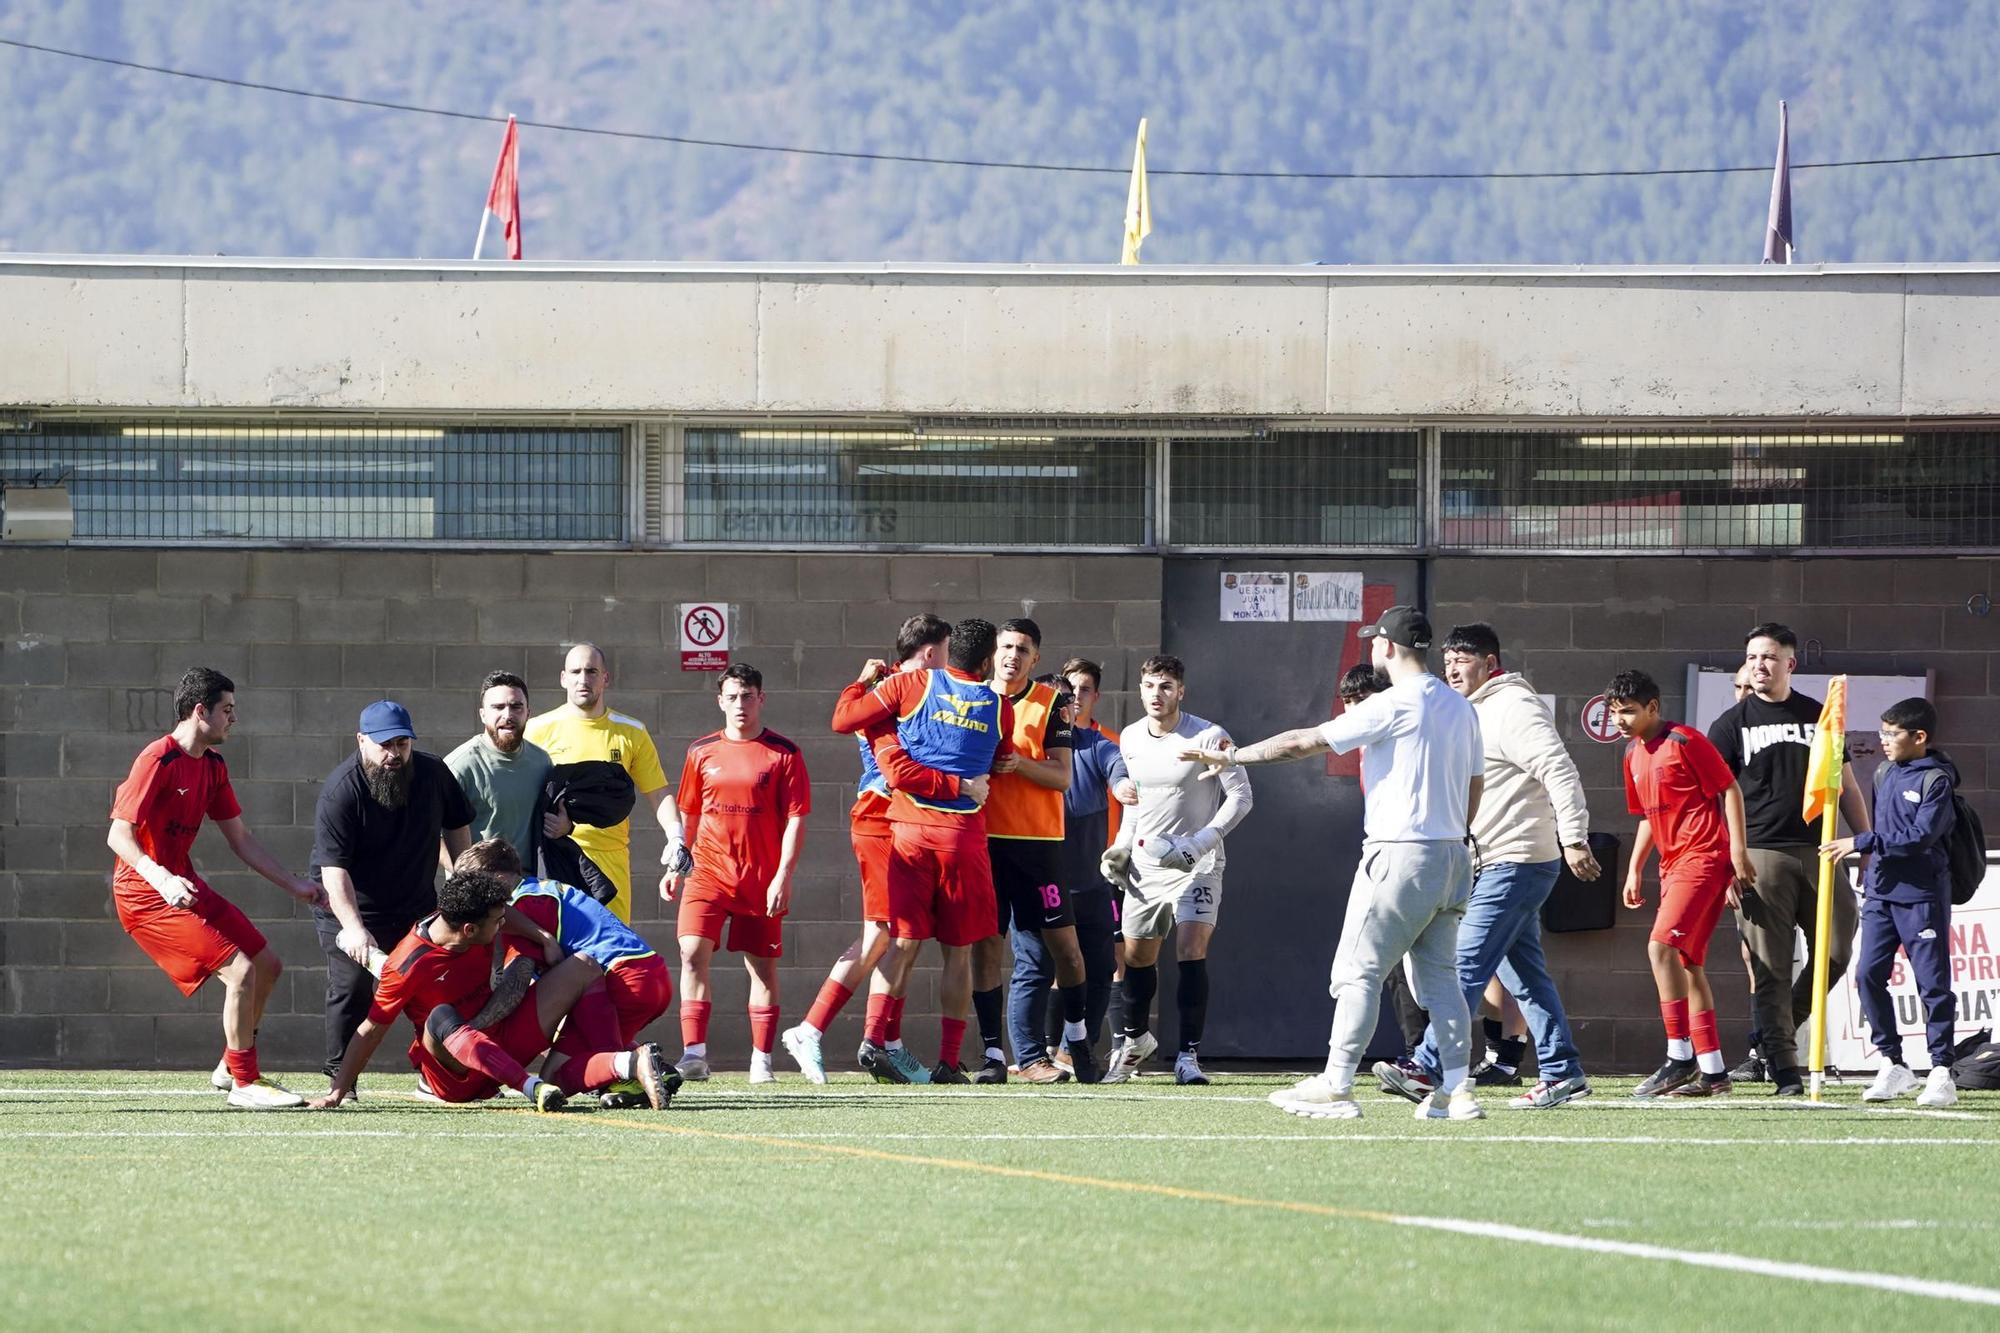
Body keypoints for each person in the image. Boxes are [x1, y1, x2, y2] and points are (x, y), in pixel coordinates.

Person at [1186, 606, 1483, 1122]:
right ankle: (1457, 1092)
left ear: (1388, 647)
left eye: (1375, 640)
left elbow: (1302, 741)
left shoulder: (1395, 702)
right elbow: (1475, 787)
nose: (1371, 647)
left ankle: (1338, 1085)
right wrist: (1450, 835)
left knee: (1355, 972)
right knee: (1439, 980)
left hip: (1400, 854)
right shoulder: (1461, 707)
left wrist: (1231, 758)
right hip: (1453, 856)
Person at [1374, 624, 1598, 1112]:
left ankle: (1427, 1065)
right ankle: (1563, 1071)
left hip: (1516, 860)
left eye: (1464, 659)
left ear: (1490, 663)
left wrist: (1574, 836)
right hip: (1495, 860)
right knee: (1526, 977)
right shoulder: (1471, 709)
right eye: (1448, 658)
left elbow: (1558, 767)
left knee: (1465, 965)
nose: (1452, 667)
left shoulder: (1513, 706)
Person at [107, 667, 325, 1110]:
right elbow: (118, 836)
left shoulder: (213, 765)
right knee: (240, 970)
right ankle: (245, 1083)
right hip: (143, 893)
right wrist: (162, 878)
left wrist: (295, 885)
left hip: (182, 883)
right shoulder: (157, 759)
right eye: (227, 710)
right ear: (199, 710)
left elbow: (240, 839)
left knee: (267, 964)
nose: (234, 718)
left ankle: (230, 1066)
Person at [309, 869, 676, 1112]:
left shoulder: (468, 916)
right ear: (469, 930)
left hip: (501, 1037)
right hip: (456, 1073)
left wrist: (541, 935)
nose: (504, 925)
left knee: (582, 964)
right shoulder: (408, 965)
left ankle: (628, 1061)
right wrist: (337, 1091)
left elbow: (505, 914)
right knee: (440, 1016)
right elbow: (370, 1028)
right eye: (498, 922)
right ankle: (531, 1086)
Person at [831, 618, 1013, 1084]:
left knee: (904, 941)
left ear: (949, 654)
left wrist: (860, 683)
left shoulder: (913, 682)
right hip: (963, 838)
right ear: (989, 660)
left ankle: (874, 1039)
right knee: (958, 953)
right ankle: (950, 1060)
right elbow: (998, 761)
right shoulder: (998, 706)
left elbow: (843, 720)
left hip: (909, 830)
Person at [784, 614, 953, 1086]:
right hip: (881, 817)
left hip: (912, 823)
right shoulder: (893, 691)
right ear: (928, 654)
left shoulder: (921, 690)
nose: (949, 664)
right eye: (945, 652)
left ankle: (887, 1044)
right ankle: (810, 1029)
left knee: (909, 935)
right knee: (881, 933)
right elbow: (845, 721)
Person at [1706, 624, 1871, 1096]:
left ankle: (1769, 1035)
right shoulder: (1729, 725)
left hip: (1820, 852)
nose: (1760, 665)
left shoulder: (1817, 716)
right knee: (1770, 968)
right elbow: (1712, 801)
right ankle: (1783, 1067)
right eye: (1753, 656)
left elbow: (1847, 786)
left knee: (1837, 952)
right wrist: (1724, 862)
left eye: (1770, 657)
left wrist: (1865, 840)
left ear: (1790, 664)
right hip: (1759, 856)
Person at [1100, 654, 1252, 1086]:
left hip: (1198, 861)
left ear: (1180, 691)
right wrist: (1121, 848)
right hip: (1148, 865)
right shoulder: (1130, 738)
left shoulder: (1209, 735)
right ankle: (1135, 1042)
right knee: (1135, 958)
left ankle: (1187, 1056)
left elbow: (1242, 798)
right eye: (1149, 685)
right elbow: (1137, 803)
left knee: (1190, 948)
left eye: (1166, 686)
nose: (1156, 694)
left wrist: (1202, 841)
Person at [310, 700, 475, 1085]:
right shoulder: (341, 791)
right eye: (384, 745)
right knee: (352, 987)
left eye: (401, 744)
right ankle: (340, 1077)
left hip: (415, 904)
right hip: (352, 906)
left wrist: (462, 878)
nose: (393, 754)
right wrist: (353, 929)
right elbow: (334, 871)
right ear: (361, 741)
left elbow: (456, 825)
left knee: (436, 986)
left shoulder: (433, 773)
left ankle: (436, 1073)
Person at [1610, 669, 1754, 1098]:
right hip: (1672, 867)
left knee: (1660, 948)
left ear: (1653, 707)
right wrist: (1635, 868)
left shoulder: (1686, 741)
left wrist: (1738, 852)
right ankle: (1714, 1072)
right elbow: (1649, 817)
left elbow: (1730, 790)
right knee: (1687, 965)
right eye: (1615, 712)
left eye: (1629, 712)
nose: (1620, 720)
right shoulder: (1632, 754)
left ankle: (1679, 1056)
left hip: (1705, 859)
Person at [664, 664, 811, 1084]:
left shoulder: (785, 753)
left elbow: (797, 820)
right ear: (720, 701)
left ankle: (761, 1061)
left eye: (747, 696)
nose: (740, 704)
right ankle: (694, 1056)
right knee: (692, 953)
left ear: (760, 699)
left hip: (761, 879)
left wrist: (783, 875)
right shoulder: (701, 751)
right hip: (708, 872)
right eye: (732, 696)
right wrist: (678, 864)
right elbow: (689, 815)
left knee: (762, 969)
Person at [1823, 698, 1961, 1108]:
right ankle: (1894, 1063)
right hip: (1881, 894)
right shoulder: (1884, 773)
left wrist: (1860, 843)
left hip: (1921, 896)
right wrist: (1870, 862)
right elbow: (1887, 829)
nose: (1883, 741)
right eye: (1881, 732)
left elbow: (1919, 837)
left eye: (1892, 733)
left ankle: (1941, 1070)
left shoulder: (1937, 780)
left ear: (1919, 737)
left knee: (1932, 984)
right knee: (1867, 976)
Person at [980, 618, 1089, 1085]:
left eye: (1022, 649)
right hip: (982, 843)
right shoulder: (973, 698)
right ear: (992, 653)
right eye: (1006, 646)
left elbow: (1062, 777)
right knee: (986, 946)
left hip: (1039, 845)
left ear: (1036, 658)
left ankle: (1077, 1042)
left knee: (1062, 950)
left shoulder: (1053, 703)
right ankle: (999, 1056)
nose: (1012, 656)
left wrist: (1020, 763)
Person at [526, 643, 691, 923]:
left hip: (610, 861)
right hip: (554, 860)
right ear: (563, 678)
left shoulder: (631, 732)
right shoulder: (537, 730)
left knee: (610, 956)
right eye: (575, 671)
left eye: (591, 671)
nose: (583, 679)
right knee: (556, 953)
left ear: (606, 678)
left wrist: (676, 837)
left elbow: (658, 792)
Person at [1044, 658, 1133, 1070]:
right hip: (1056, 867)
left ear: (1096, 696)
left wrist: (1123, 785)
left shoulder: (1107, 743)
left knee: (1112, 956)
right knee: (1058, 960)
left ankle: (1112, 1043)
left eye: (1083, 691)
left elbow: (1122, 778)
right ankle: (1049, 1049)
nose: (1075, 697)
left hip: (1104, 867)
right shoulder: (1048, 743)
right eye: (1070, 690)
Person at [446, 671, 566, 873]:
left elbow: (552, 817)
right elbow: (433, 836)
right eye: (498, 707)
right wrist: (467, 875)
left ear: (528, 713)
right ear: (483, 714)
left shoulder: (541, 761)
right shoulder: (459, 766)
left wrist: (565, 825)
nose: (508, 715)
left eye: (516, 707)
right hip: (480, 892)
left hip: (530, 888)